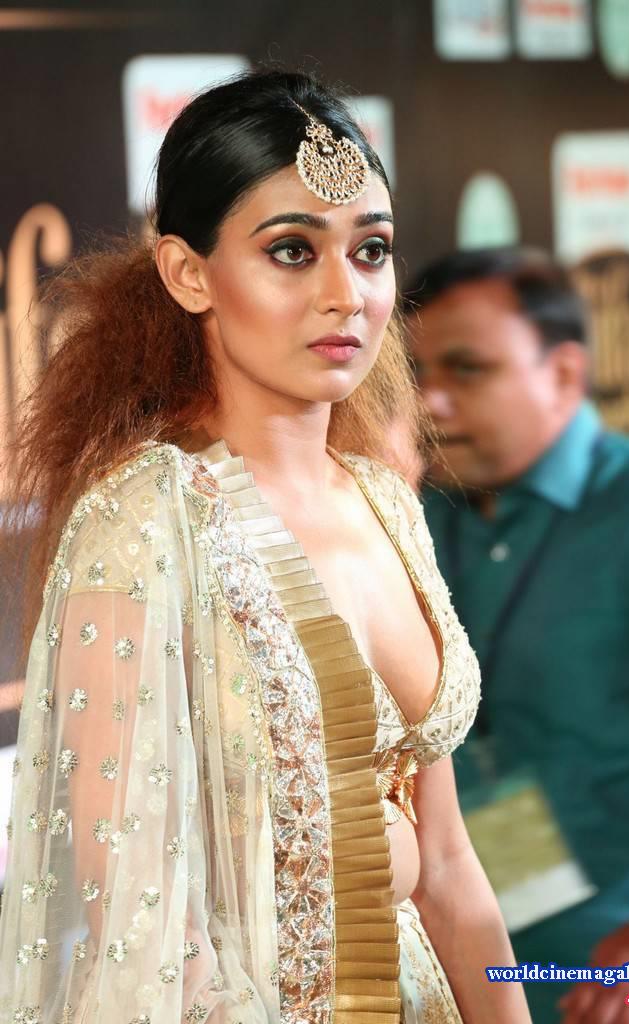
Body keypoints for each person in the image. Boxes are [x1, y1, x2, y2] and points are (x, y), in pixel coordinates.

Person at [0, 73, 531, 1023]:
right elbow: (146, 931)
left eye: (370, 250)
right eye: (292, 251)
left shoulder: (385, 503)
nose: (346, 295)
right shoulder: (144, 523)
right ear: (187, 274)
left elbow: (450, 867)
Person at [406, 245, 629, 1023]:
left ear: (563, 374)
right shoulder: (417, 514)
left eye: (467, 370)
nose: (430, 402)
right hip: (467, 958)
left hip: (621, 973)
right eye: (417, 374)